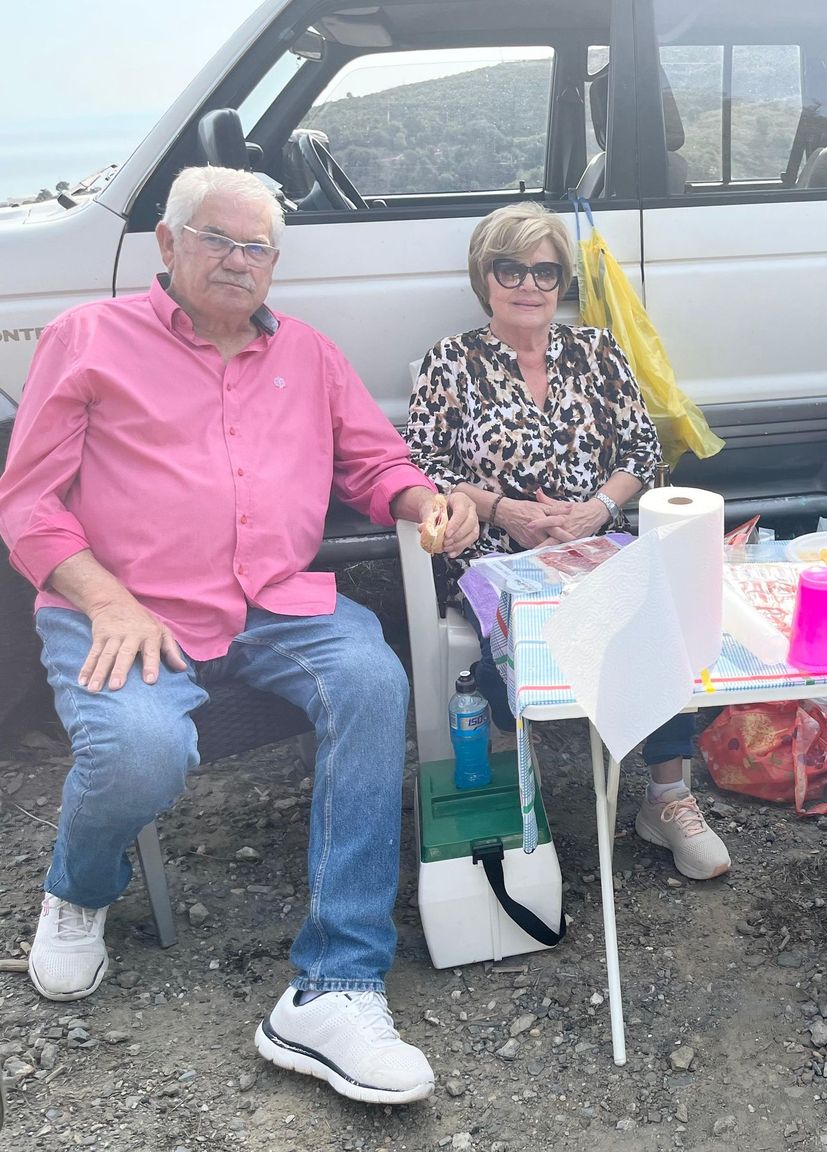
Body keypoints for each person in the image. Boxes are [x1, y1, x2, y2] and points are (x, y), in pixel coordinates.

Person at [0, 167, 477, 1105]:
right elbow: (27, 504)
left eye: (257, 247)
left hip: (276, 603)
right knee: (138, 750)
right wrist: (105, 599)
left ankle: (337, 984)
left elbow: (373, 461)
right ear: (168, 247)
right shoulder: (85, 339)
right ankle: (78, 888)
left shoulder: (309, 353)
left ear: (275, 264)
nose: (238, 261)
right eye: (216, 239)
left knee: (375, 685)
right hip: (127, 608)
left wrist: (425, 500)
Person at [407, 201, 729, 880]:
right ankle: (510, 787)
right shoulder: (449, 362)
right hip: (500, 554)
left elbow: (644, 450)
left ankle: (666, 796)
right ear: (484, 276)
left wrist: (594, 509)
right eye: (511, 269)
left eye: (545, 271)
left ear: (561, 282)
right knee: (520, 631)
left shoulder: (597, 350)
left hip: (596, 542)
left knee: (667, 616)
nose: (529, 284)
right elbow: (424, 471)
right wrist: (504, 510)